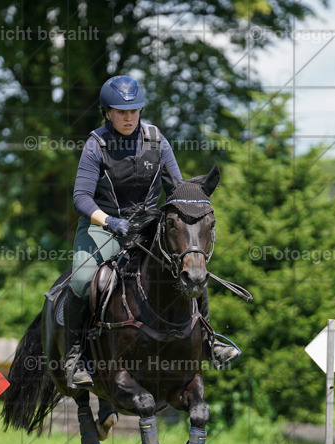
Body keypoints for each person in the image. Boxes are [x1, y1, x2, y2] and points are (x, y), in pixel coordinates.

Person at [66, 75, 239, 388]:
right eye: (121, 112)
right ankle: (74, 355)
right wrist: (109, 221)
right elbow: (81, 198)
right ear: (107, 112)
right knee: (81, 280)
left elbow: (177, 189)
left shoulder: (157, 142)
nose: (128, 117)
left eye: (133, 111)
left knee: (192, 268)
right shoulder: (96, 145)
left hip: (147, 226)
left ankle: (209, 340)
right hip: (102, 225)